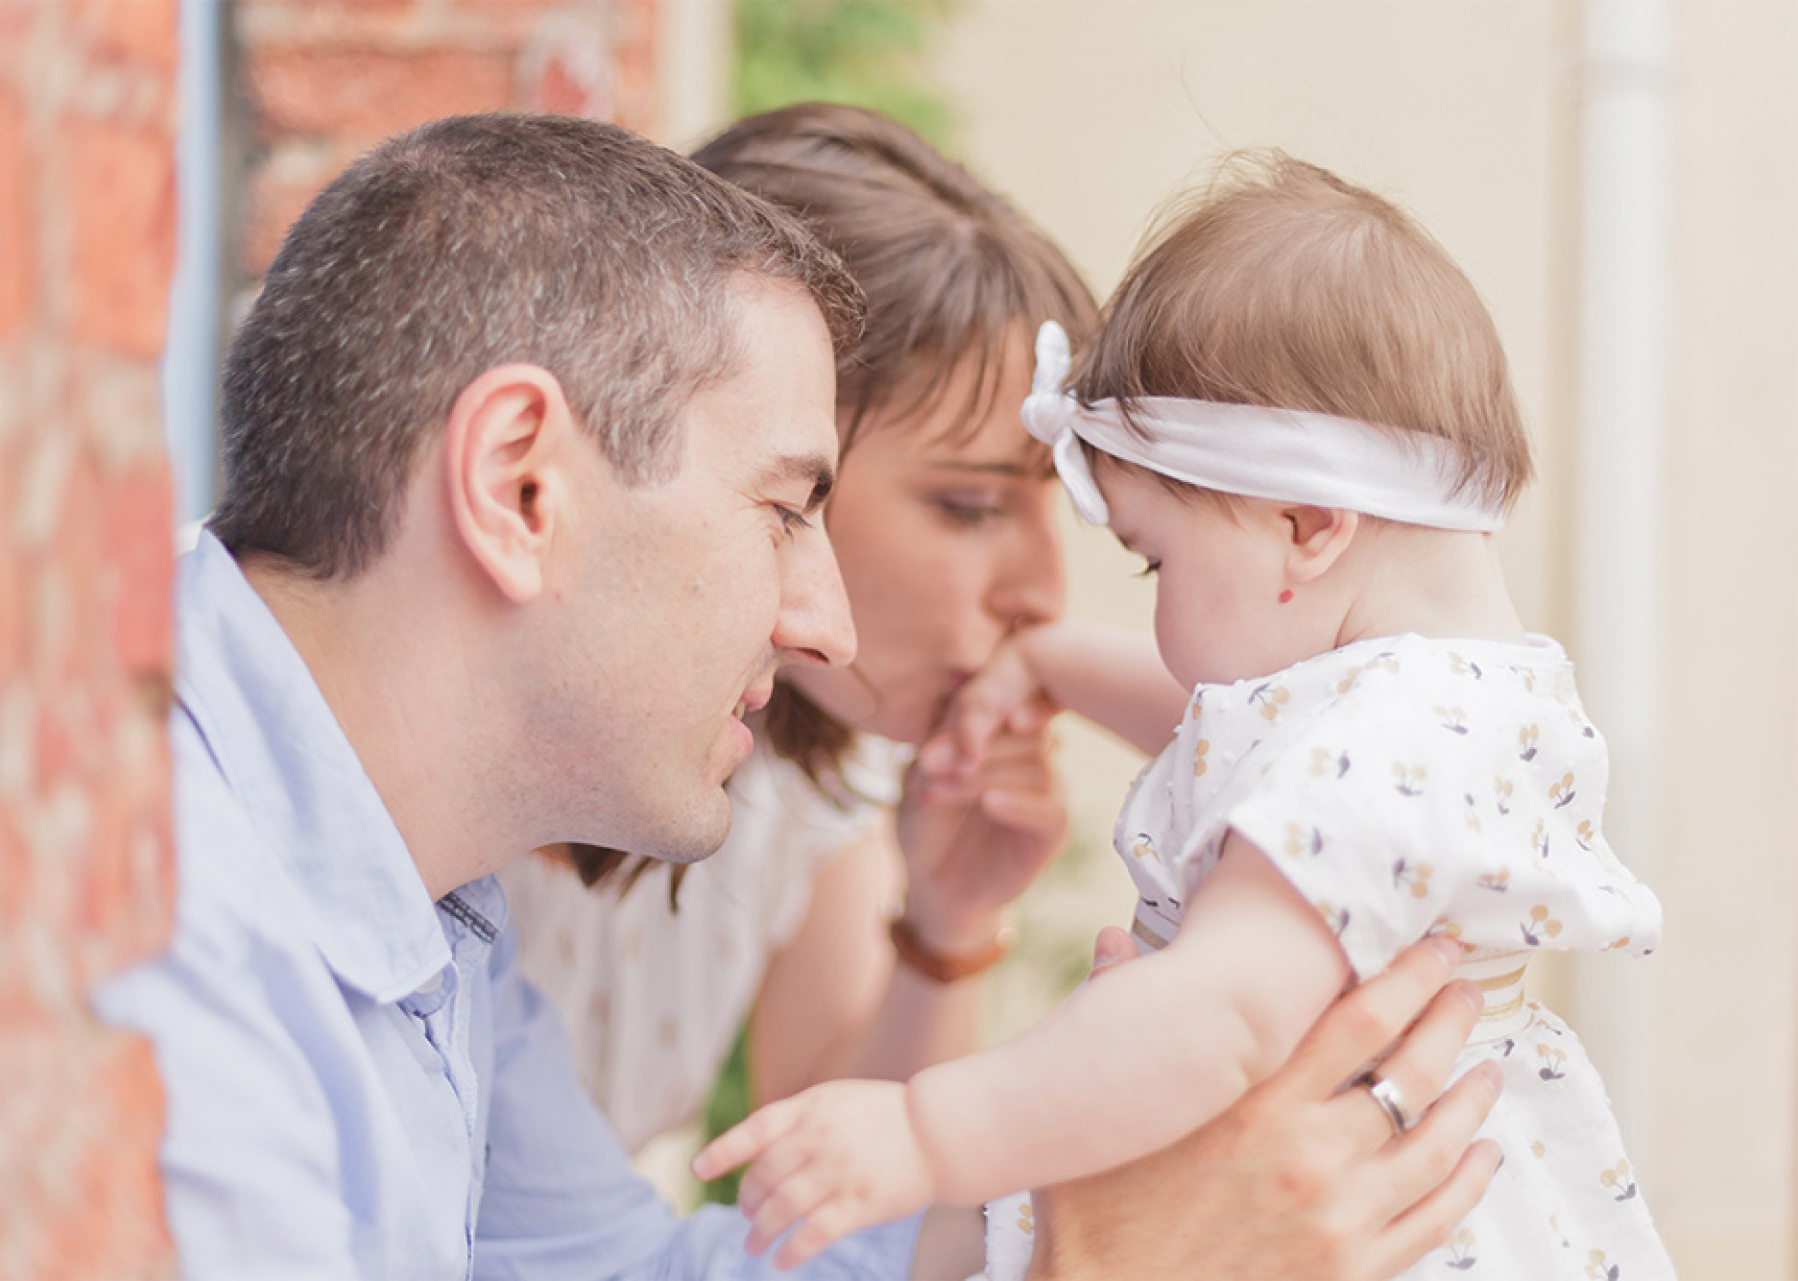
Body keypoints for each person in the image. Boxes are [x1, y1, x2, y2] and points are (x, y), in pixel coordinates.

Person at [94, 115, 1501, 1278]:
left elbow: (634, 1271)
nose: (821, 620)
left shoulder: (423, 908)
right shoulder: (146, 958)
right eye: (784, 509)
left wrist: (1071, 1210)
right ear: (520, 485)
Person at [696, 154, 1670, 1280]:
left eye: (1154, 563)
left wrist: (928, 1135)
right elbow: (1236, 737)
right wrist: (1048, 664)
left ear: (1309, 527)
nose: (1147, 610)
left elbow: (1221, 1020)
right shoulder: (1458, 707)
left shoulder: (1393, 739)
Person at [499, 101, 1090, 1157]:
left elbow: (831, 1216)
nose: (1044, 592)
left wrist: (947, 924)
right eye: (970, 505)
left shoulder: (798, 777)